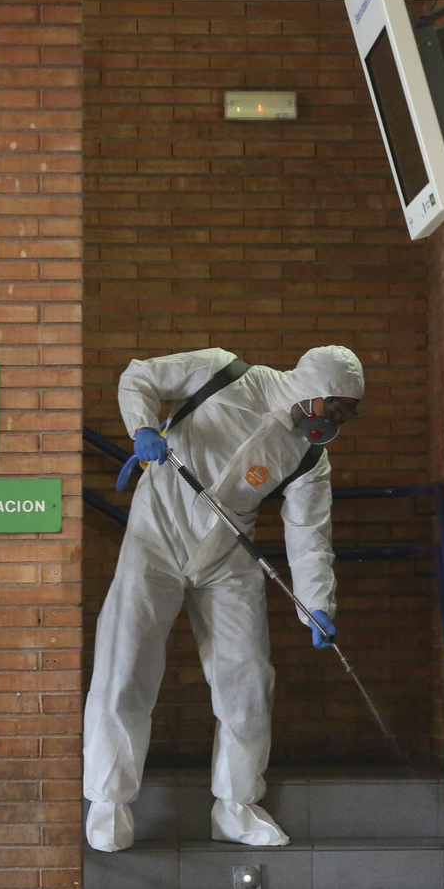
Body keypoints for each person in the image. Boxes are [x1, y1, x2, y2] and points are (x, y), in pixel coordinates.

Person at [83, 345, 364, 853]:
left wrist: (317, 603)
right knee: (124, 665)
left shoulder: (307, 454)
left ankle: (236, 807)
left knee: (248, 679)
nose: (340, 419)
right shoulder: (222, 371)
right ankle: (108, 805)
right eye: (337, 406)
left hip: (229, 556)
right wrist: (143, 427)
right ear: (313, 389)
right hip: (156, 538)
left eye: (349, 411)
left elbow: (308, 534)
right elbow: (140, 376)